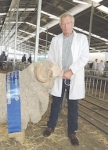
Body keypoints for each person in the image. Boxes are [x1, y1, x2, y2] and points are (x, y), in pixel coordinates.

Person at [43, 13, 89, 146]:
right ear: (60, 26)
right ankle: (51, 126)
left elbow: (84, 57)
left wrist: (71, 70)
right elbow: (50, 57)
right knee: (56, 103)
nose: (66, 26)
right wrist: (58, 71)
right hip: (59, 76)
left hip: (74, 76)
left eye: (68, 23)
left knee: (73, 106)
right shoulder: (55, 39)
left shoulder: (82, 38)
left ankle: (72, 132)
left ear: (73, 24)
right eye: (63, 24)